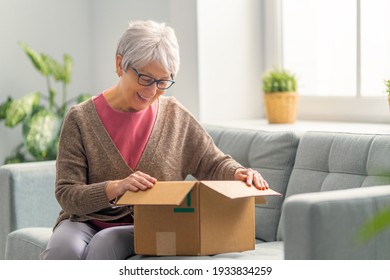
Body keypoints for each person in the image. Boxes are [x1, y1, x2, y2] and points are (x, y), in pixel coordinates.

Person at [40, 20, 269, 260]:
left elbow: (212, 162)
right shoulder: (80, 119)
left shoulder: (175, 116)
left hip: (154, 224)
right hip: (84, 221)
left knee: (105, 243)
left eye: (162, 82)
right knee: (62, 250)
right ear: (120, 65)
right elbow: (67, 193)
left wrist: (239, 173)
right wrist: (115, 188)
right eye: (145, 79)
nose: (152, 91)